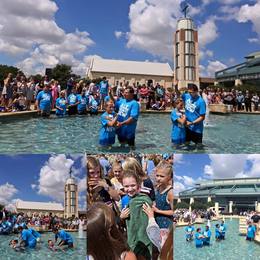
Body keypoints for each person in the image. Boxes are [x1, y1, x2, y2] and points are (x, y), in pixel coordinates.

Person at [121, 170, 153, 259]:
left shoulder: (144, 198)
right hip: (131, 239)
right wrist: (121, 217)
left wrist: (151, 215)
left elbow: (150, 211)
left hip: (145, 238)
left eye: (133, 185)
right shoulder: (124, 200)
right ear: (123, 186)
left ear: (138, 185)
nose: (130, 189)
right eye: (126, 186)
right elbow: (124, 221)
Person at [153, 161, 173, 246]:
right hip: (158, 224)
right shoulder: (158, 188)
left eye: (162, 176)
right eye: (157, 175)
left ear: (169, 177)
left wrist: (158, 211)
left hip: (166, 226)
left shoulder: (170, 192)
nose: (158, 178)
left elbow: (173, 211)